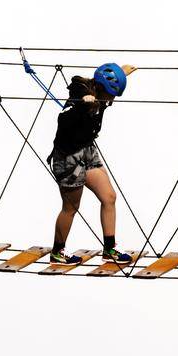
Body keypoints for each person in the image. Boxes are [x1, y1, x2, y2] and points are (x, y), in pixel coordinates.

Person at [47, 62, 137, 265]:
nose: (112, 100)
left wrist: (121, 74)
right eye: (111, 95)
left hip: (87, 151)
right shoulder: (80, 98)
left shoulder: (99, 89)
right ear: (101, 87)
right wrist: (82, 105)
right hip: (69, 159)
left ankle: (109, 249)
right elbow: (63, 120)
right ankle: (57, 252)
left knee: (109, 197)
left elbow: (106, 80)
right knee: (71, 207)